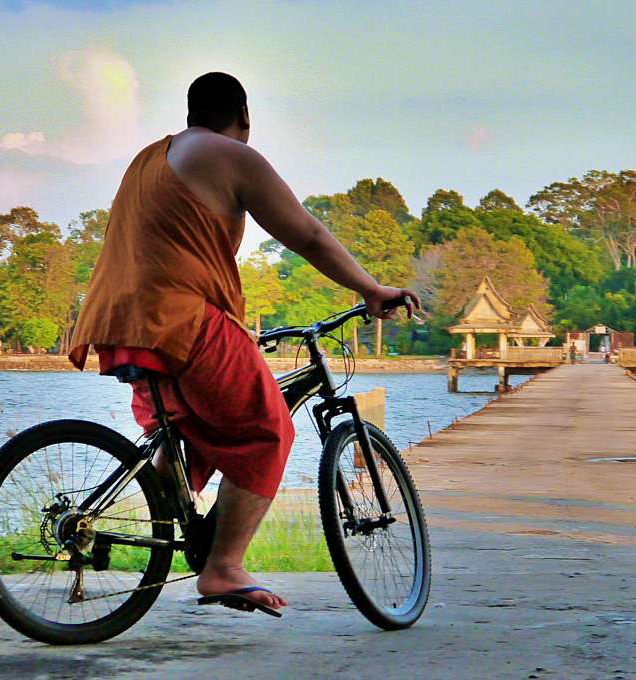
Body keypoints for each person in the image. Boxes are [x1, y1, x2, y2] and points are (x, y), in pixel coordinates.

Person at [68, 72, 420, 614]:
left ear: (191, 113)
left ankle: (161, 529)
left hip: (120, 322)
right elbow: (307, 234)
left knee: (193, 432)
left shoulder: (149, 158)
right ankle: (223, 567)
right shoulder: (231, 154)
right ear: (245, 118)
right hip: (179, 319)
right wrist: (370, 289)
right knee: (268, 428)